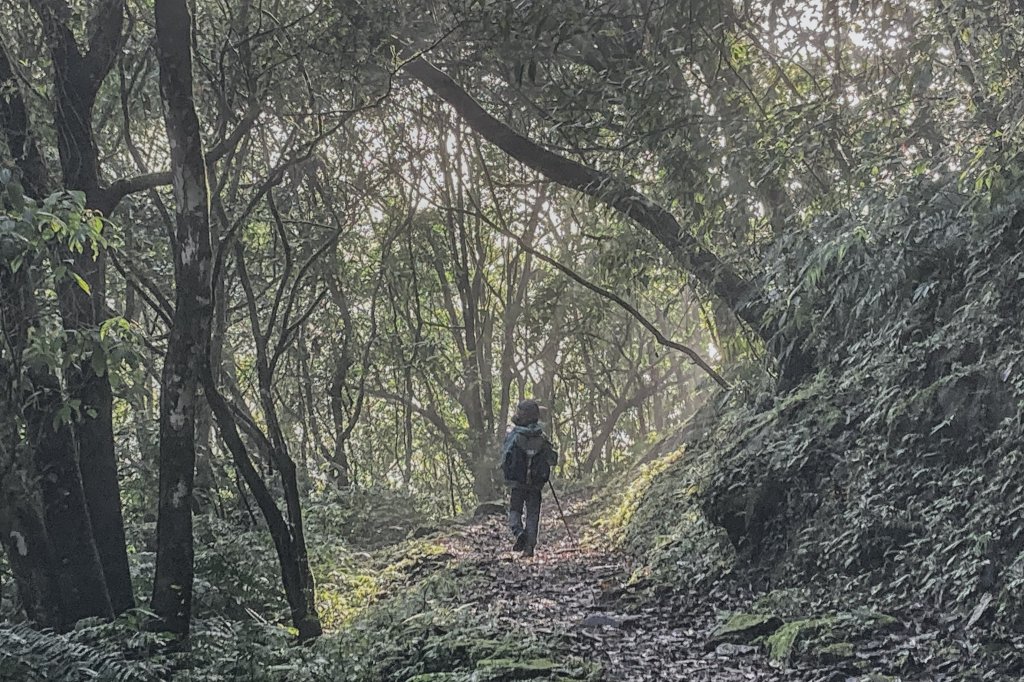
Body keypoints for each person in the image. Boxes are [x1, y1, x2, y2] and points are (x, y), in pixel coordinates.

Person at [500, 399, 558, 558]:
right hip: (536, 485)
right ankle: (529, 548)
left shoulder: (513, 435)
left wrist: (506, 473)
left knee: (515, 511)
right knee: (533, 514)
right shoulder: (542, 437)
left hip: (517, 483)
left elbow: (505, 457)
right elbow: (553, 459)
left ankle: (519, 532)